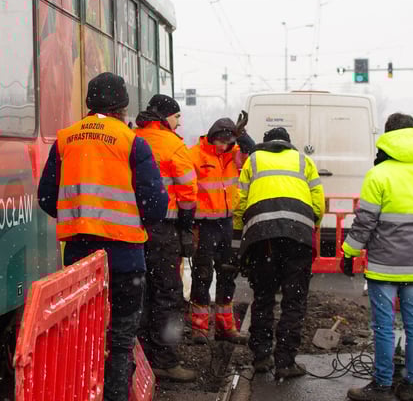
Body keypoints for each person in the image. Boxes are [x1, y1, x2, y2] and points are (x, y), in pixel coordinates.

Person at [37, 72, 168, 401]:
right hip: (125, 261)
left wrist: (80, 218)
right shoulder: (131, 141)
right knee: (121, 341)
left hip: (80, 261)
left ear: (88, 103)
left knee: (85, 340)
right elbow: (155, 203)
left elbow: (46, 197)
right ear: (122, 107)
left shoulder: (65, 140)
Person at [343, 113, 413, 401]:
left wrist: (348, 251)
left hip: (383, 267)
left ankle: (383, 384)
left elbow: (365, 223)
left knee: (384, 326)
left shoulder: (378, 174)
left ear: (387, 137)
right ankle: (410, 385)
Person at [234, 127, 324, 379]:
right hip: (299, 237)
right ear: (289, 144)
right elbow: (318, 199)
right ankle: (285, 361)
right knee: (294, 300)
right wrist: (309, 224)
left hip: (262, 238)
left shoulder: (253, 160)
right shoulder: (303, 161)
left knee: (263, 297)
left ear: (264, 144)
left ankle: (261, 357)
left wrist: (240, 233)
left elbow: (240, 201)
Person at [134, 94, 199, 382]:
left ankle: (139, 358)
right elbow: (187, 193)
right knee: (168, 293)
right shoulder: (174, 145)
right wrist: (186, 225)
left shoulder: (131, 138)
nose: (179, 122)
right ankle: (166, 360)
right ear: (165, 118)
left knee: (138, 292)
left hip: (132, 229)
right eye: (176, 117)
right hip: (164, 229)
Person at [187, 113, 255, 344]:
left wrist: (242, 134)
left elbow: (252, 153)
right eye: (222, 141)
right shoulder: (194, 156)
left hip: (225, 224)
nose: (225, 146)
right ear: (212, 137)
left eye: (229, 142)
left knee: (227, 274)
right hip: (203, 225)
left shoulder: (232, 155)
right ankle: (199, 329)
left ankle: (226, 328)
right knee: (202, 275)